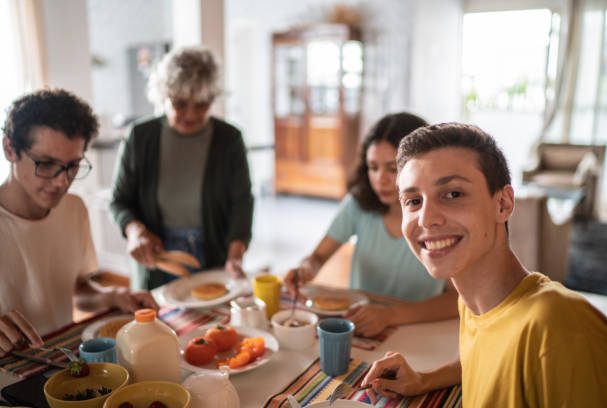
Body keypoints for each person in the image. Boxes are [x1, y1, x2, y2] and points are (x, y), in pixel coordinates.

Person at [362, 123, 607, 406]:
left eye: (453, 194)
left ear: (503, 203)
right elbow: (490, 356)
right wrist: (424, 379)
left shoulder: (559, 327)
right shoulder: (474, 304)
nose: (426, 218)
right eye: (414, 201)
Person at [0, 89, 158, 356]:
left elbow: (77, 291)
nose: (62, 181)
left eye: (72, 165)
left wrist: (112, 295)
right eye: (47, 164)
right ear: (10, 150)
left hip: (65, 358)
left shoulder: (73, 209)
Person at [284, 113, 458, 337]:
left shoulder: (440, 217)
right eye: (373, 167)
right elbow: (317, 258)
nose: (380, 179)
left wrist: (389, 315)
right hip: (360, 327)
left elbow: (456, 300)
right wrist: (305, 269)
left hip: (420, 330)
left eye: (392, 168)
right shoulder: (358, 204)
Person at [110, 46, 254, 290]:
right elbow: (119, 201)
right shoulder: (140, 137)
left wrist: (235, 257)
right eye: (180, 103)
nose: (191, 114)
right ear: (163, 96)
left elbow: (241, 204)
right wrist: (136, 232)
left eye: (201, 104)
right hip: (157, 259)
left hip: (211, 257)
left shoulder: (229, 139)